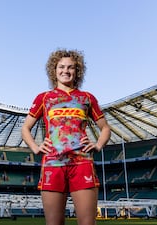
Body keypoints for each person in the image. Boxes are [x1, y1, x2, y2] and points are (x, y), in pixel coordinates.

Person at [22, 49, 111, 225]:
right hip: (53, 163)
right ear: (54, 70)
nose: (66, 71)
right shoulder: (44, 98)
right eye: (61, 67)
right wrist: (35, 147)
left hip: (82, 163)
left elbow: (106, 128)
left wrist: (98, 145)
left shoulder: (87, 98)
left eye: (71, 67)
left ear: (77, 71)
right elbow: (25, 128)